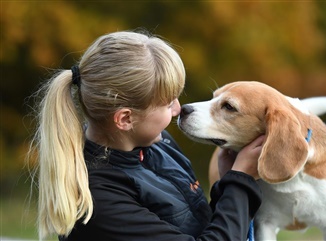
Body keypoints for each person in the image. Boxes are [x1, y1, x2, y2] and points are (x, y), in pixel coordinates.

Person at [29, 30, 263, 241]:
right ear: (125, 119)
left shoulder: (158, 145)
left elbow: (201, 228)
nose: (178, 109)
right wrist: (240, 181)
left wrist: (227, 183)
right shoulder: (99, 200)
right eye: (167, 103)